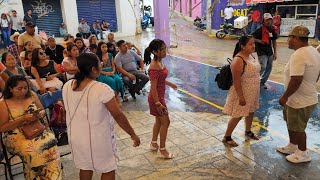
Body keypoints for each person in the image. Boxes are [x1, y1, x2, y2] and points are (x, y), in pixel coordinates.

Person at [62, 53, 140, 180]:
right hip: (97, 139)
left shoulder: (67, 86)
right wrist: (132, 134)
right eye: (99, 64)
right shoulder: (102, 89)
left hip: (76, 137)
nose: (101, 65)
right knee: (108, 168)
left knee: (85, 167)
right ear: (93, 69)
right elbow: (118, 115)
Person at [0, 75, 63, 179]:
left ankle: (52, 176)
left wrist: (39, 114)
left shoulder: (32, 95)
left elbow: (42, 110)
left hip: (36, 129)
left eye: (26, 88)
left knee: (51, 144)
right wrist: (23, 118)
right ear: (10, 89)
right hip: (15, 136)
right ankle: (40, 176)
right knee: (34, 150)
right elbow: (2, 127)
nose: (23, 91)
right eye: (19, 88)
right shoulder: (3, 103)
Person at [277, 26, 320, 163]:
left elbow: (296, 80)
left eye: (289, 38)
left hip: (299, 100)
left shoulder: (299, 54)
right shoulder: (313, 51)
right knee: (292, 124)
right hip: (301, 98)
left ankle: (303, 153)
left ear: (295, 38)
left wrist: (285, 96)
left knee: (298, 128)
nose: (287, 41)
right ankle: (292, 146)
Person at [222, 35, 260, 147]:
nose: (253, 46)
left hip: (253, 91)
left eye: (254, 43)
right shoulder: (238, 60)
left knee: (251, 111)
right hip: (242, 92)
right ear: (242, 46)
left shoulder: (251, 56)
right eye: (250, 44)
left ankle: (248, 131)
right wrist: (241, 97)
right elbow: (236, 81)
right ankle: (227, 136)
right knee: (238, 115)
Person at [144, 39, 177, 158]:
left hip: (159, 97)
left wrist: (170, 84)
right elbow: (153, 88)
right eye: (161, 49)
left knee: (159, 121)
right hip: (156, 98)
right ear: (154, 51)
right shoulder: (154, 66)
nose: (164, 51)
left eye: (165, 48)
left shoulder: (160, 63)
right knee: (166, 122)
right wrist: (158, 103)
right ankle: (163, 149)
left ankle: (153, 143)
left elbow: (160, 80)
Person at [251, 13, 278, 89]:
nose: (268, 22)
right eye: (267, 20)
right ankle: (254, 80)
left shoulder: (273, 29)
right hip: (261, 51)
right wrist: (259, 41)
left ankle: (262, 82)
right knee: (263, 66)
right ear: (264, 21)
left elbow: (274, 41)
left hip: (269, 51)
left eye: (270, 20)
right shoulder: (259, 29)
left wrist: (275, 52)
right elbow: (251, 37)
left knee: (269, 67)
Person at [96, 42, 124, 106]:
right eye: (103, 47)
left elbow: (113, 65)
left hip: (111, 71)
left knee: (118, 80)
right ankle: (114, 99)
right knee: (111, 81)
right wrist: (106, 73)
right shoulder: (97, 57)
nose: (105, 48)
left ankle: (117, 97)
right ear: (99, 48)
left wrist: (113, 71)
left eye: (106, 47)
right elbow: (98, 69)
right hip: (102, 73)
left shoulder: (110, 55)